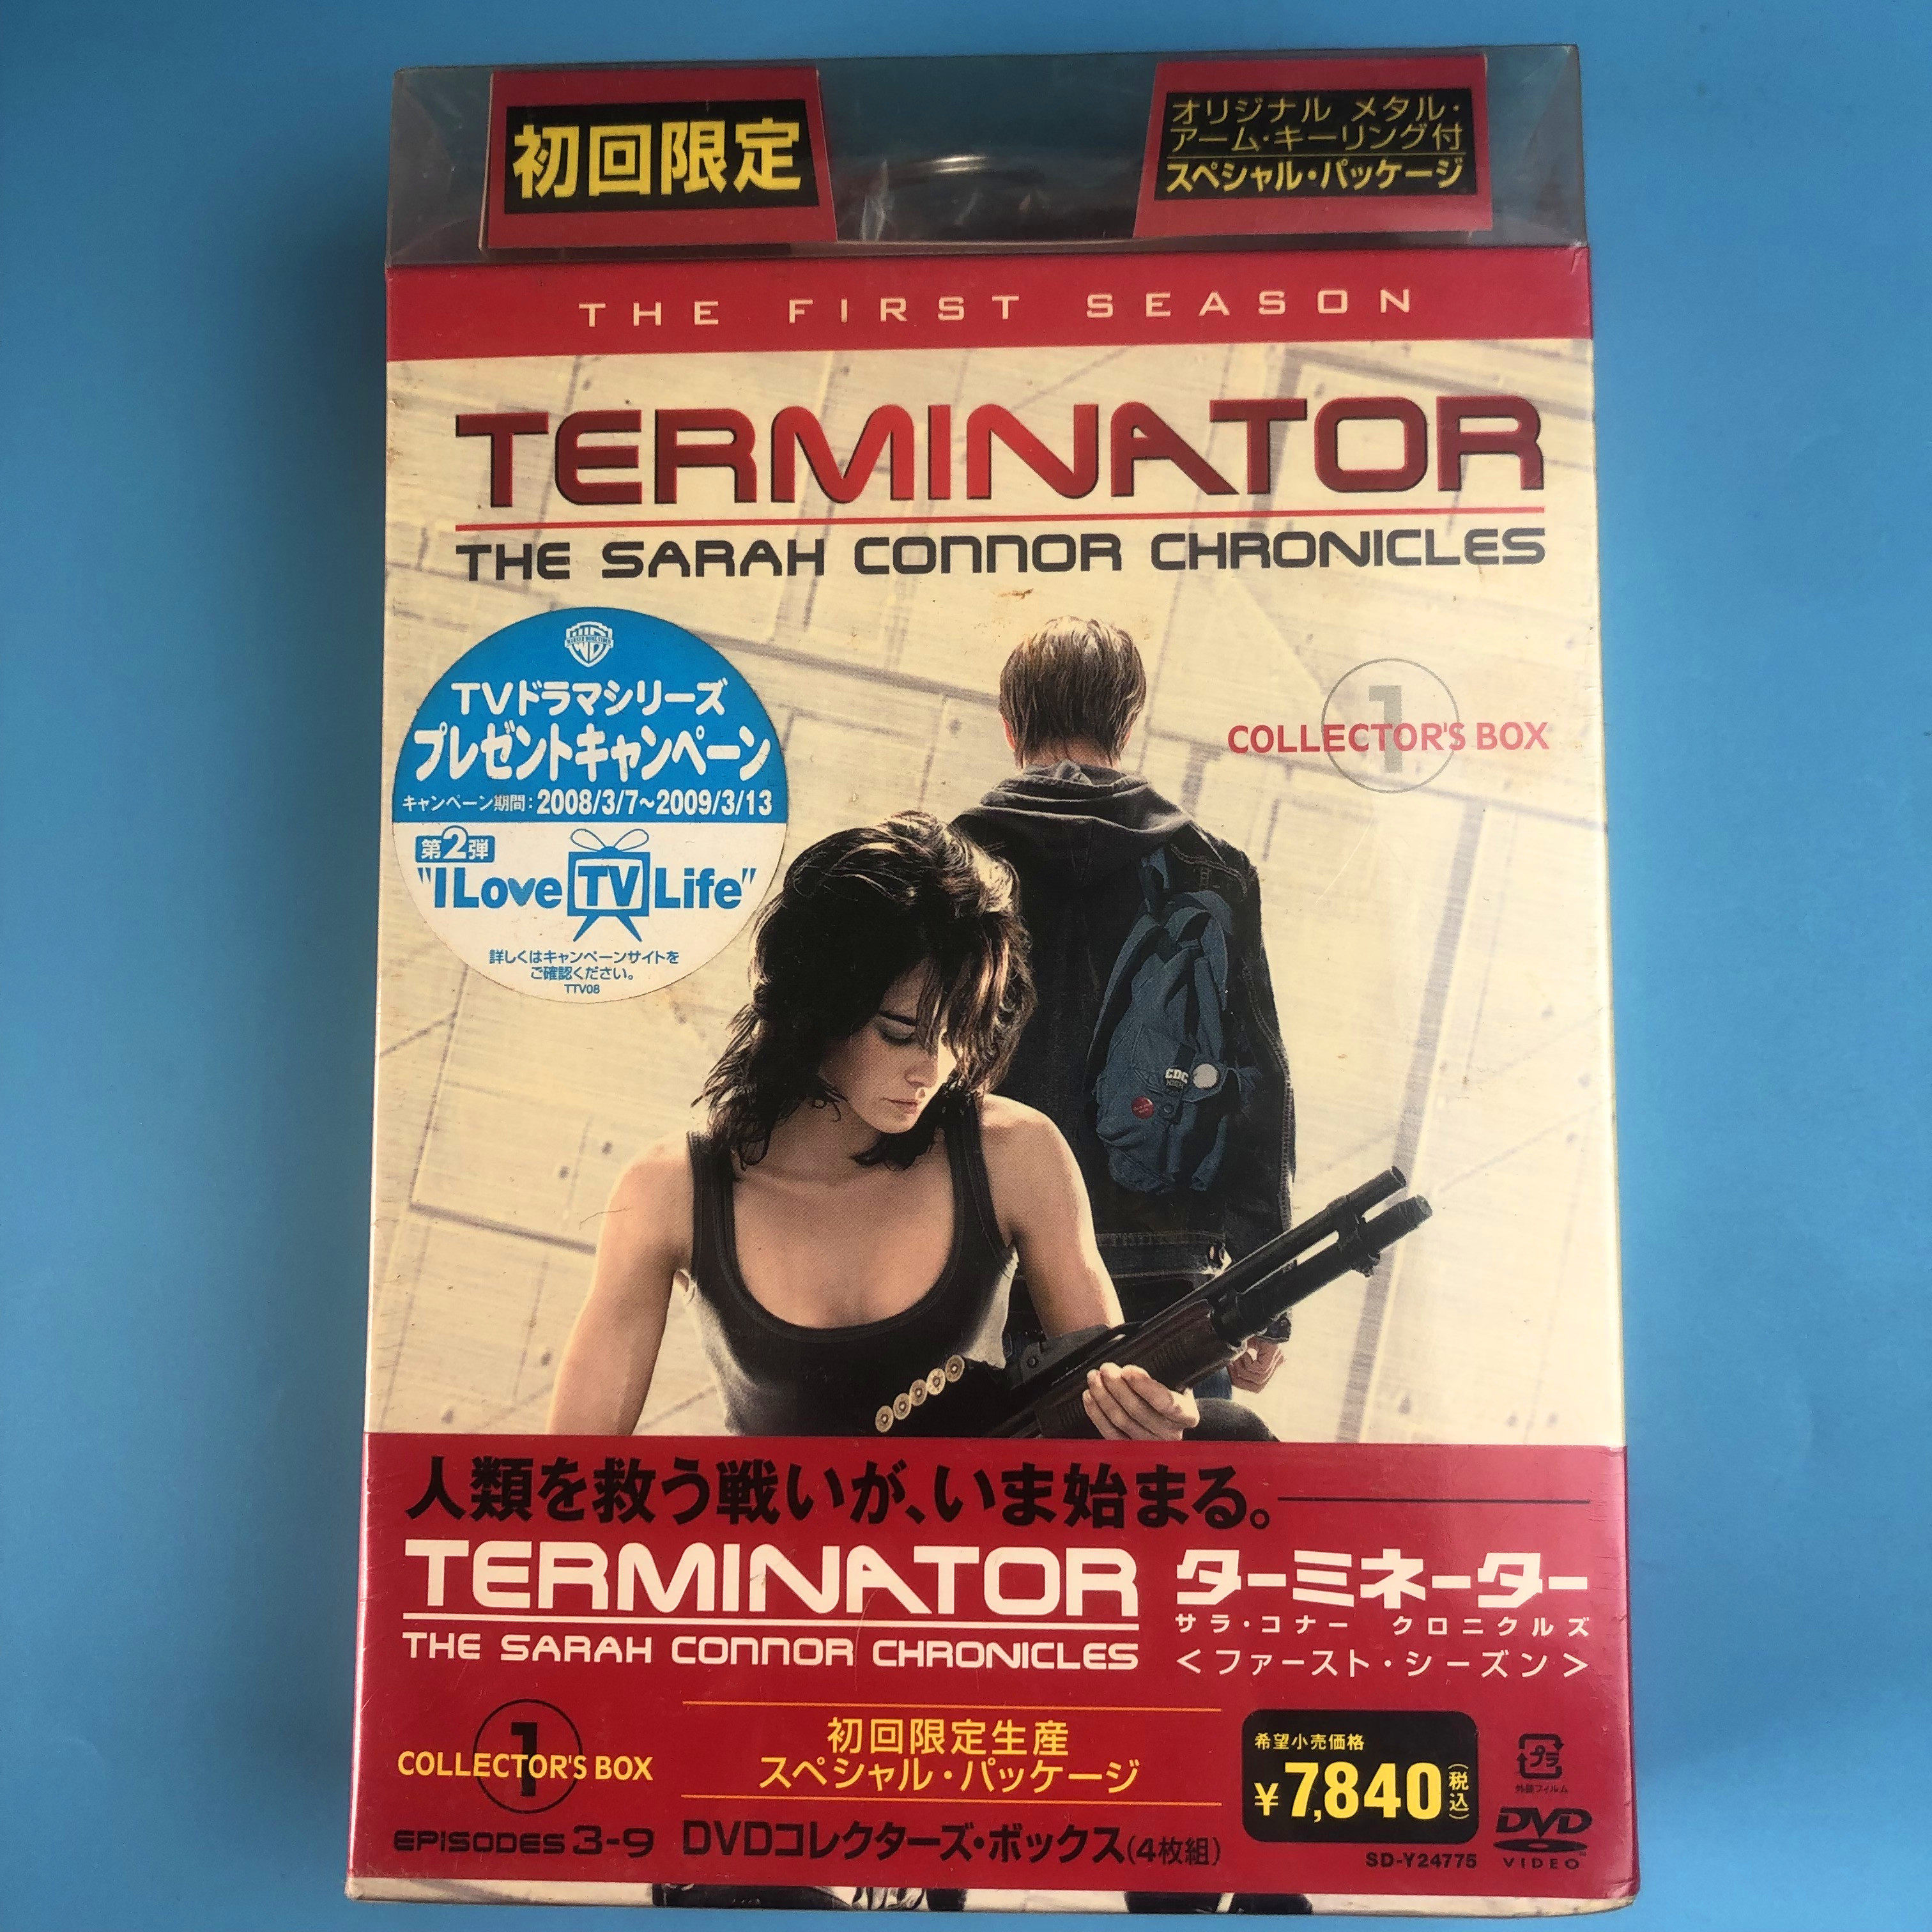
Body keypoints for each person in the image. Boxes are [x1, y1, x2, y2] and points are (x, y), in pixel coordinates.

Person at [549, 810, 1262, 1445]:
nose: (933, 1069)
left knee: (1237, 1437)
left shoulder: (1015, 1153)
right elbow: (567, 1476)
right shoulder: (670, 1192)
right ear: (815, 1006)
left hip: (969, 1533)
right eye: (899, 1033)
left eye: (958, 1037)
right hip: (776, 1539)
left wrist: (1146, 1417)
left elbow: (1102, 1390)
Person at [954, 618, 1296, 1401]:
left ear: (1009, 726)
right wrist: (1265, 1301)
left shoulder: (950, 866)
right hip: (1170, 1280)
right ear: (1128, 723)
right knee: (1171, 1471)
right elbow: (1257, 1090)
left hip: (985, 1264)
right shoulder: (1213, 870)